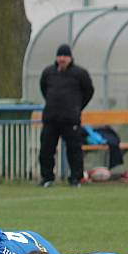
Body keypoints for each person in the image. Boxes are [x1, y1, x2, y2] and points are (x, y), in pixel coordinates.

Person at [38, 44, 95, 187]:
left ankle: (76, 178)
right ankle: (47, 178)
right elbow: (43, 88)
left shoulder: (79, 73)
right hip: (51, 118)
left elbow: (88, 91)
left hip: (70, 119)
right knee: (46, 149)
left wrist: (76, 107)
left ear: (70, 58)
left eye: (65, 56)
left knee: (74, 149)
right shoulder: (48, 72)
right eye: (59, 56)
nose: (62, 59)